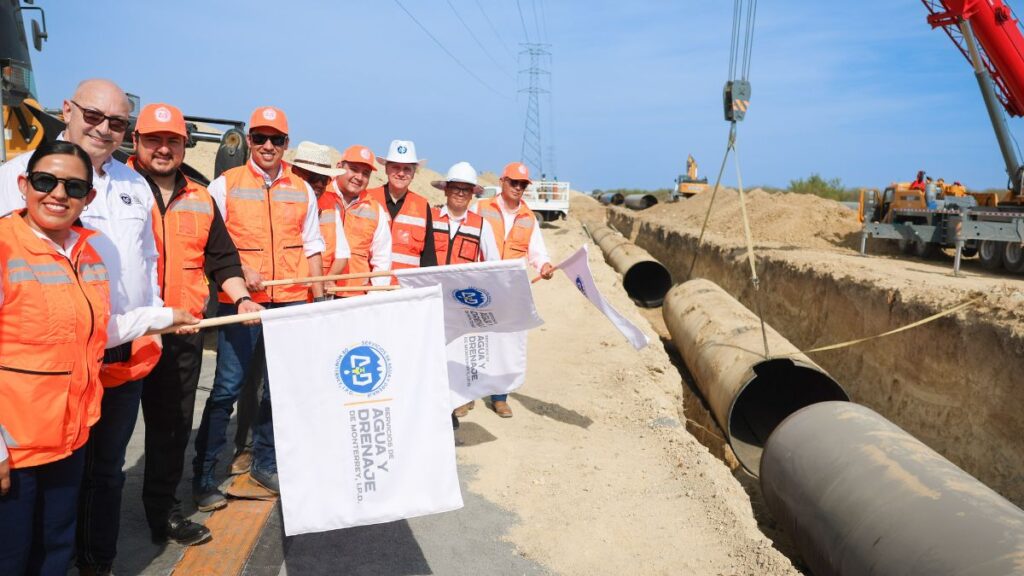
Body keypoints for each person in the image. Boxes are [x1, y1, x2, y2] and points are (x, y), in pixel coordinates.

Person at [0, 79, 199, 576]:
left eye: (117, 123)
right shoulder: (9, 190)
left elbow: (143, 268)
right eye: (94, 116)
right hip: (24, 397)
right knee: (19, 520)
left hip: (108, 356)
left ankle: (95, 562)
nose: (104, 129)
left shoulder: (127, 195)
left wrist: (158, 318)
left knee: (97, 478)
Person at [127, 103, 265, 547]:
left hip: (182, 333)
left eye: (172, 141)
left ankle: (163, 514)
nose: (163, 149)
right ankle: (89, 537)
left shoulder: (201, 197)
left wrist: (241, 295)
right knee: (103, 440)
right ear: (137, 142)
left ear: (185, 145)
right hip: (123, 335)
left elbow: (222, 258)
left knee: (169, 433)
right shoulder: (114, 189)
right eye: (154, 140)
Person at [192, 106, 326, 509]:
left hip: (288, 306)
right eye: (261, 138)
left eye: (277, 139)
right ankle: (204, 473)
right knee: (227, 389)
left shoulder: (302, 190)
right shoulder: (225, 185)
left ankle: (264, 464)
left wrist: (319, 301)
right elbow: (209, 245)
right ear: (249, 141)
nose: (268, 146)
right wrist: (241, 269)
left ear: (287, 144)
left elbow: (313, 247)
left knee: (277, 392)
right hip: (240, 306)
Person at [0, 141, 110, 576]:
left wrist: (164, 318)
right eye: (46, 181)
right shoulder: (5, 248)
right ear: (25, 185)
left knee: (54, 552)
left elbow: (90, 329)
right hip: (16, 450)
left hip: (68, 439)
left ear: (89, 197)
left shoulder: (88, 253)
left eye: (74, 186)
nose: (58, 194)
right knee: (9, 559)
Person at [475, 162, 555, 418]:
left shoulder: (528, 217)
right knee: (476, 338)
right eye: (514, 182)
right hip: (483, 284)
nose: (518, 188)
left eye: (522, 184)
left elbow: (537, 251)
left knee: (506, 342)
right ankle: (467, 395)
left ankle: (500, 396)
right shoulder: (481, 209)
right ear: (502, 181)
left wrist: (544, 265)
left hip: (511, 288)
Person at [429, 161, 501, 426]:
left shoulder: (482, 226)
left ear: (473, 194)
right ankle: (436, 410)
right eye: (455, 188)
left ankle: (451, 408)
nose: (460, 193)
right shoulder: (431, 219)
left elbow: (493, 266)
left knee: (455, 358)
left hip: (461, 307)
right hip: (431, 301)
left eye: (466, 189)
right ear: (446, 190)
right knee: (431, 357)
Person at [325, 145, 391, 294]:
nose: (359, 177)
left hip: (354, 296)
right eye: (354, 169)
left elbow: (382, 260)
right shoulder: (320, 195)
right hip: (316, 292)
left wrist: (374, 297)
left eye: (365, 173)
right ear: (339, 166)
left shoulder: (375, 209)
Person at [367, 140, 437, 271]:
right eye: (396, 167)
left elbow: (428, 258)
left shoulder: (422, 206)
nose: (401, 173)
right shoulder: (368, 199)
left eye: (407, 169)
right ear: (386, 169)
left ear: (413, 173)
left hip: (407, 288)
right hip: (370, 287)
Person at [289, 141, 350, 277]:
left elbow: (342, 254)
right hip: (290, 291)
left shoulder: (331, 207)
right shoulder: (281, 203)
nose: (319, 184)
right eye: (313, 177)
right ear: (296, 173)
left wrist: (327, 280)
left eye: (324, 179)